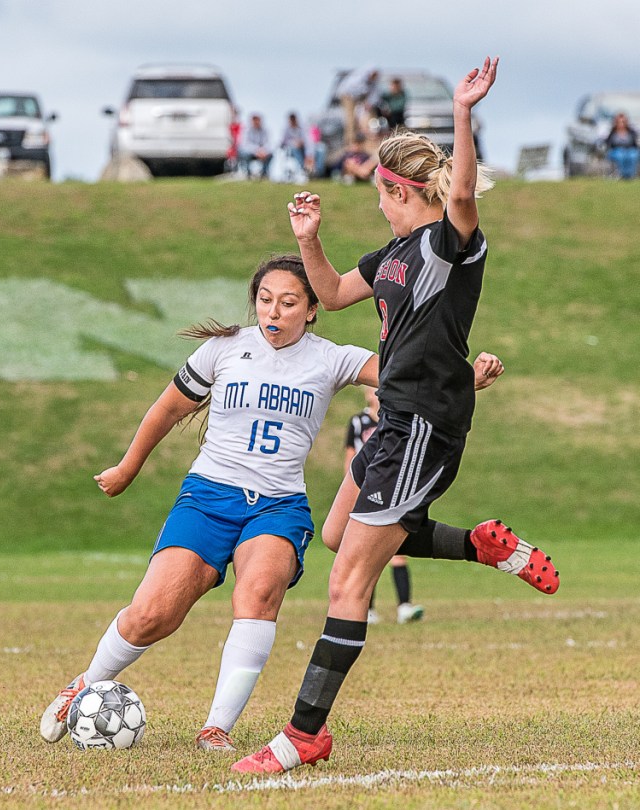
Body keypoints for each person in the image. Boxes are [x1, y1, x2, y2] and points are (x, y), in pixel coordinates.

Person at [234, 56, 560, 775]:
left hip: (422, 429)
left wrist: (466, 114)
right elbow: (332, 290)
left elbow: (466, 189)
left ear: (397, 189)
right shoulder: (392, 254)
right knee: (335, 534)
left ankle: (303, 735)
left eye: (379, 192)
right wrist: (308, 238)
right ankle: (480, 545)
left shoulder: (449, 244)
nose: (374, 203)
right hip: (395, 424)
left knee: (348, 583)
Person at [39, 255, 381, 753]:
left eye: (289, 303)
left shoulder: (331, 358)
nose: (274, 312)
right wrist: (127, 467)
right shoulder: (224, 349)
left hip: (279, 505)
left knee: (260, 593)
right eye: (265, 300)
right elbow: (167, 408)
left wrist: (465, 376)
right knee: (154, 613)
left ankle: (215, 728)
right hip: (208, 496)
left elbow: (402, 374)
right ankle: (83, 684)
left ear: (311, 309)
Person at [345, 386, 422, 625]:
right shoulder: (358, 422)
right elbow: (350, 456)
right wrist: (349, 488)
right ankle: (366, 609)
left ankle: (404, 607)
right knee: (365, 552)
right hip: (365, 488)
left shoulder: (396, 418)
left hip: (391, 487)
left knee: (396, 549)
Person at [337, 66, 380, 147]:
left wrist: (369, 103)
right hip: (348, 95)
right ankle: (350, 140)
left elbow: (375, 95)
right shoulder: (358, 79)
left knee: (371, 115)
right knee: (351, 118)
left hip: (360, 97)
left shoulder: (373, 83)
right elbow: (351, 90)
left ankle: (371, 137)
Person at [604, 111, 638, 180]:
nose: (621, 124)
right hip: (616, 151)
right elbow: (608, 143)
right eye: (619, 122)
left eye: (623, 122)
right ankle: (622, 174)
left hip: (630, 150)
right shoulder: (613, 132)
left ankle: (630, 175)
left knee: (633, 155)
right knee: (620, 155)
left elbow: (635, 143)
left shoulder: (631, 132)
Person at [239, 113, 273, 179]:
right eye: (254, 120)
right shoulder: (247, 130)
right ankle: (248, 173)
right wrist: (256, 150)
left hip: (263, 153)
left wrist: (263, 151)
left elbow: (269, 143)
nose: (256, 122)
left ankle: (264, 173)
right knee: (244, 153)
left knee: (271, 155)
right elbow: (245, 145)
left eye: (258, 120)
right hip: (251, 153)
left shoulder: (265, 130)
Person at [280, 112, 307, 182]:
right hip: (290, 149)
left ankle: (304, 169)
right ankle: (302, 168)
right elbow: (283, 142)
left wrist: (300, 142)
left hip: (302, 149)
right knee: (294, 148)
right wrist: (293, 142)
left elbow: (306, 139)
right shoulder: (286, 129)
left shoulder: (301, 128)